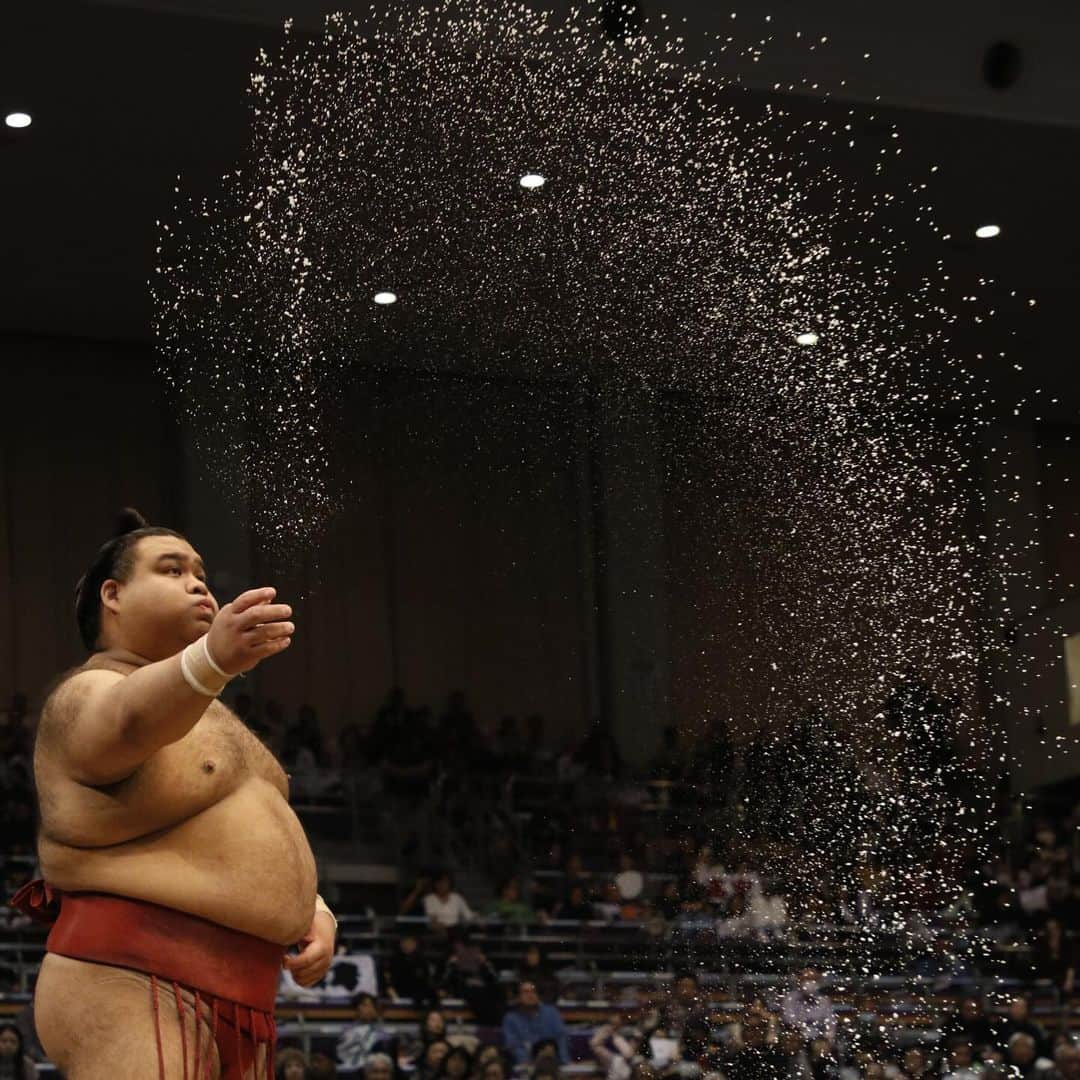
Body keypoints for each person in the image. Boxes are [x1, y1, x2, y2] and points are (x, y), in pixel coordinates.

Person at [15, 510, 336, 1078]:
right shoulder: (86, 691)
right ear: (112, 595)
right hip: (132, 976)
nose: (198, 583)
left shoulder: (214, 716)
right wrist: (212, 658)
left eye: (202, 573)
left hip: (248, 993)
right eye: (172, 569)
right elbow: (128, 722)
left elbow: (237, 831)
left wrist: (311, 908)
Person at [502, 980, 569, 1066]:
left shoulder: (552, 1013)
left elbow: (561, 1039)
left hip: (553, 1064)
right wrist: (528, 1063)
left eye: (533, 991)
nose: (530, 995)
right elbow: (513, 1046)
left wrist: (564, 1062)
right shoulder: (510, 1018)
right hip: (525, 1066)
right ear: (518, 997)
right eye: (526, 992)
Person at [779, 969, 837, 1046]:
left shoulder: (824, 1001)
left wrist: (827, 1040)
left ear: (818, 982)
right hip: (797, 1037)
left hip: (817, 1039)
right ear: (800, 981)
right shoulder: (790, 998)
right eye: (806, 979)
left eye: (813, 979)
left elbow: (830, 1024)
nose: (809, 983)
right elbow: (789, 1021)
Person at [337, 992, 391, 1071]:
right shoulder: (345, 1030)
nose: (368, 1009)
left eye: (370, 1005)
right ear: (356, 1009)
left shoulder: (382, 1033)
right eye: (364, 1005)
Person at [383, 932, 436, 1005]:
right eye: (405, 942)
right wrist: (391, 991)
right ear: (401, 944)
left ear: (415, 945)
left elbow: (426, 981)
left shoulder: (422, 961)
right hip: (397, 994)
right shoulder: (393, 961)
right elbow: (388, 981)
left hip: (417, 997)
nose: (407, 945)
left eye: (410, 942)